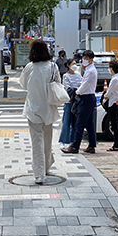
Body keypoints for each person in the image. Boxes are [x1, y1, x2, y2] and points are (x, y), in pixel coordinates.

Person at [19, 39, 60, 184]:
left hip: (33, 109)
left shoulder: (29, 67)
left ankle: (39, 174)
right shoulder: (52, 66)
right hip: (48, 108)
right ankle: (46, 167)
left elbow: (23, 84)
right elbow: (58, 84)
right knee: (47, 139)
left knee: (36, 142)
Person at [62, 49, 98, 154]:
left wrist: (77, 92)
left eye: (86, 59)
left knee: (80, 123)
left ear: (91, 60)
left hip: (87, 98)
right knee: (89, 124)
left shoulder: (91, 71)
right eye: (83, 58)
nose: (84, 60)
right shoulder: (88, 69)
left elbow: (85, 84)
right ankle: (91, 145)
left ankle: (75, 146)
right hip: (88, 98)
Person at [60, 59, 82, 147]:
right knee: (66, 121)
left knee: (75, 122)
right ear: (68, 65)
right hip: (69, 102)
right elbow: (67, 88)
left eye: (75, 64)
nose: (75, 65)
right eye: (73, 64)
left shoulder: (79, 75)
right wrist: (75, 92)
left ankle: (73, 140)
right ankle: (63, 141)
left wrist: (78, 92)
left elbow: (82, 84)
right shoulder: (66, 76)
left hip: (77, 102)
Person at [103, 59, 118, 151]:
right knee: (117, 124)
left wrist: (105, 96)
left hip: (113, 103)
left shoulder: (114, 79)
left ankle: (117, 144)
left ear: (112, 68)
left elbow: (109, 92)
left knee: (115, 125)